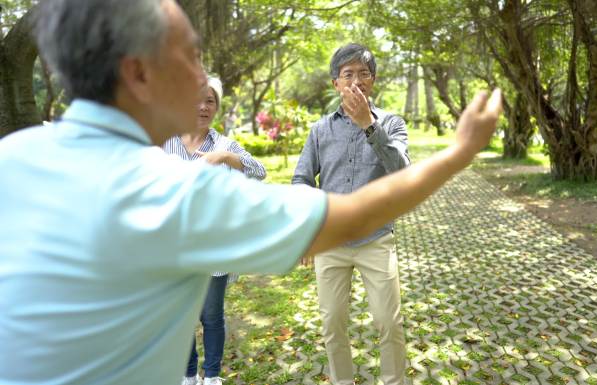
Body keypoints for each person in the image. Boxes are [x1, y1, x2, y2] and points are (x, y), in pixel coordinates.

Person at [0, 1, 502, 384]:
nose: (203, 80)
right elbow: (341, 214)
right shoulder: (182, 191)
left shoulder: (11, 158)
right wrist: (457, 154)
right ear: (137, 72)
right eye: (191, 56)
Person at [292, 43, 410, 385]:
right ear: (336, 83)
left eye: (363, 73)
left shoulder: (393, 123)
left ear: (373, 80)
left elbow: (402, 172)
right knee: (332, 324)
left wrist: (369, 126)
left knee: (389, 322)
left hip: (376, 239)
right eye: (348, 74)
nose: (356, 81)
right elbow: (301, 179)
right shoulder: (320, 131)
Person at [162, 75, 266, 385]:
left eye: (210, 101)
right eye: (197, 99)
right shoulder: (166, 142)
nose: (203, 106)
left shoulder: (224, 144)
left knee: (211, 315)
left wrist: (224, 157)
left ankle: (212, 376)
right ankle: (188, 373)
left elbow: (259, 171)